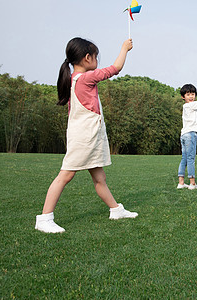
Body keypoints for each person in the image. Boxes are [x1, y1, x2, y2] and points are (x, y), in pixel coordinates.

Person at [35, 37, 138, 233]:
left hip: (88, 134)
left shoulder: (74, 80)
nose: (97, 60)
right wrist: (124, 48)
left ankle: (115, 209)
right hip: (84, 136)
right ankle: (44, 218)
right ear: (87, 58)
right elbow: (115, 68)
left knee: (99, 177)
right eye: (96, 57)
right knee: (65, 175)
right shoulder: (85, 78)